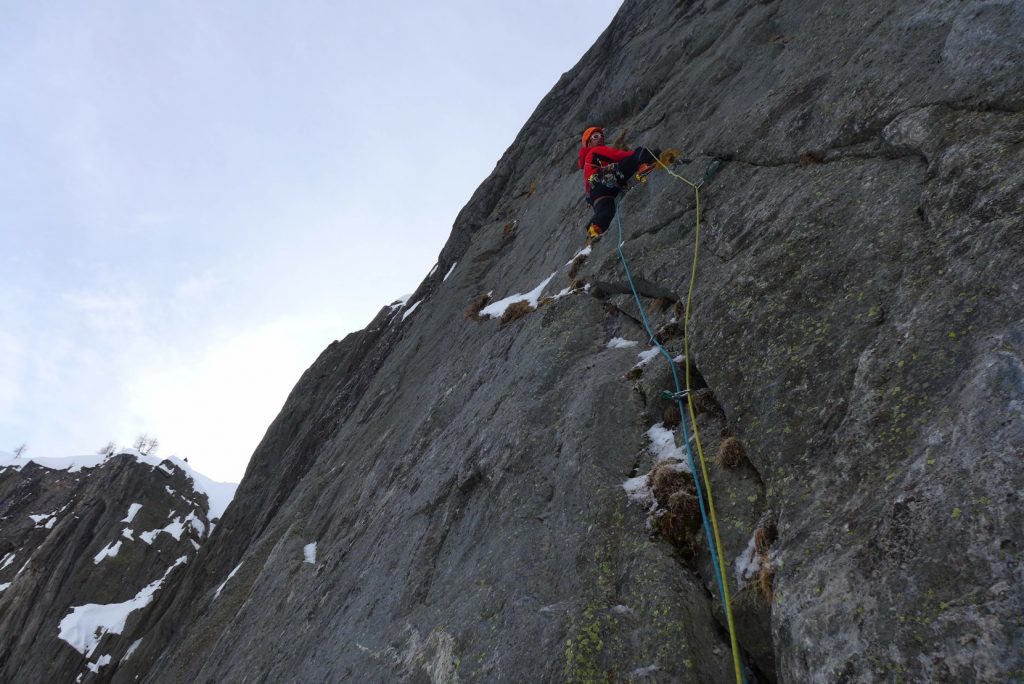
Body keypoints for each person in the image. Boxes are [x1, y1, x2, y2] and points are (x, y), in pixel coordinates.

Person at [578, 126, 661, 238]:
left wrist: (589, 199)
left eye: (602, 136)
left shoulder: (587, 165)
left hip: (596, 193)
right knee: (638, 153)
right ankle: (644, 164)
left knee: (606, 211)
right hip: (604, 180)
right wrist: (637, 155)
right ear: (589, 143)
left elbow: (588, 188)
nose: (601, 138)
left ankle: (594, 230)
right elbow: (618, 155)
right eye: (596, 136)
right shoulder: (595, 150)